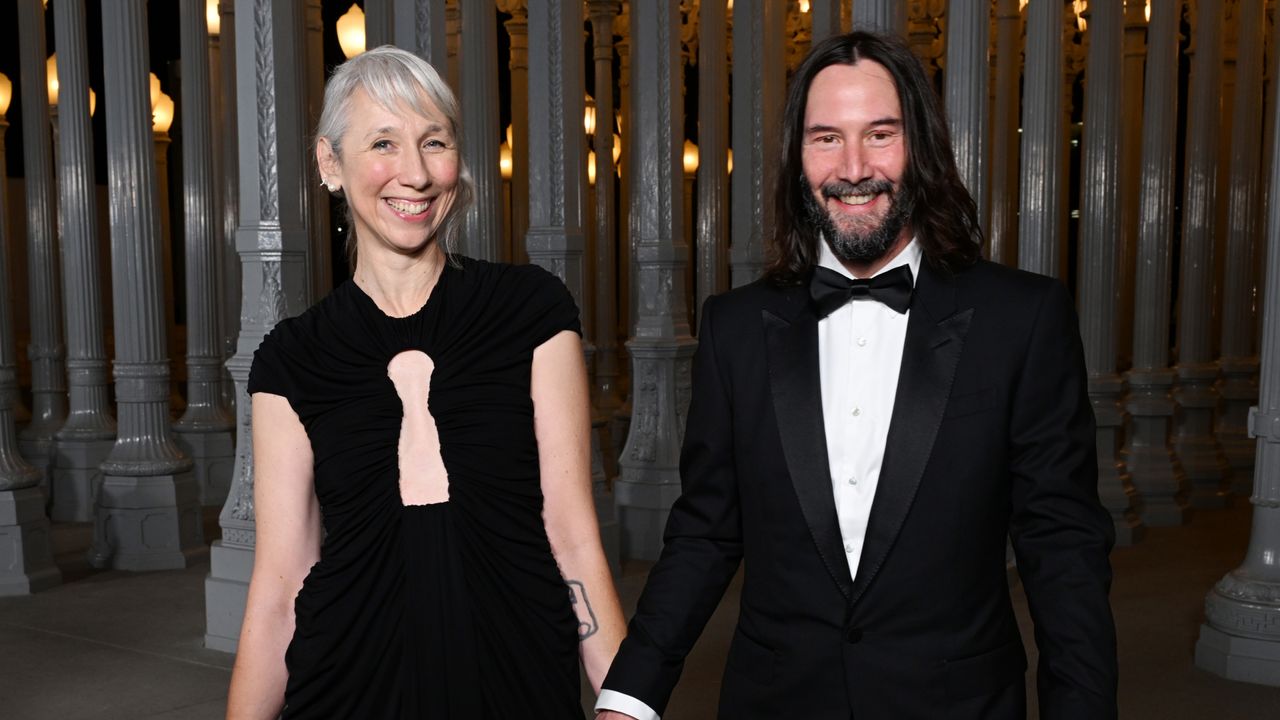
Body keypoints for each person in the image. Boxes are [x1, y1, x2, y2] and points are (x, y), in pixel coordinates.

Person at [597, 31, 1117, 720]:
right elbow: (704, 533)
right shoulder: (734, 328)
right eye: (825, 138)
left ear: (922, 147)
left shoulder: (1021, 319)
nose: (852, 167)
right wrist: (628, 696)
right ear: (797, 157)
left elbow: (1062, 549)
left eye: (879, 135)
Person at [225, 46, 625, 719]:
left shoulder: (532, 311)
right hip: (348, 687)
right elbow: (280, 582)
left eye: (433, 142)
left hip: (517, 674)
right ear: (330, 163)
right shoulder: (292, 360)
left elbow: (572, 534)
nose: (414, 174)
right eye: (383, 143)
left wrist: (626, 702)